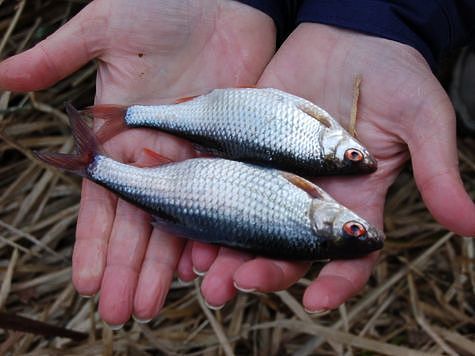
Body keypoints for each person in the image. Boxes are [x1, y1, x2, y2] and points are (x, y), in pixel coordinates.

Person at [1, 0, 474, 327]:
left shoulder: (313, 187)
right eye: (351, 156)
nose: (354, 225)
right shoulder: (315, 186)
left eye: (351, 232)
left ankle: (98, 159)